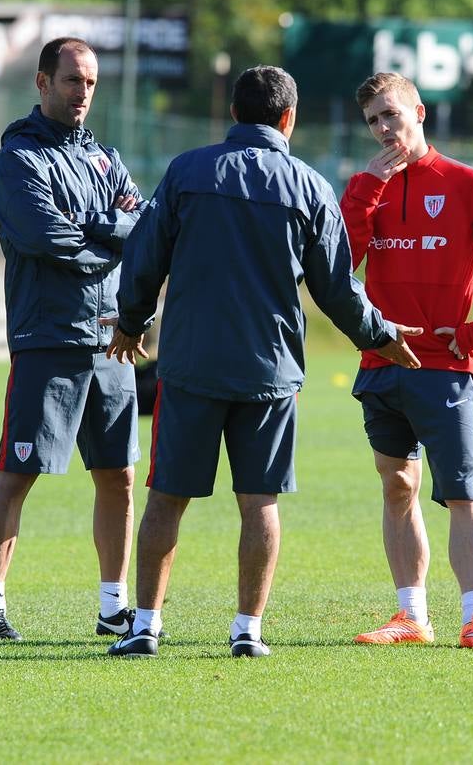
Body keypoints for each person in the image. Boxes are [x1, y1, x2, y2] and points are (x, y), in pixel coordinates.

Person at [103, 65, 423, 658]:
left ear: (234, 113)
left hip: (191, 366)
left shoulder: (186, 171)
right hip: (269, 373)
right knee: (260, 502)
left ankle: (144, 626)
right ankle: (247, 631)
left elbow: (146, 255)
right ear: (288, 118)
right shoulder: (309, 187)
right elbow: (336, 287)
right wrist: (379, 335)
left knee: (167, 497)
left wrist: (131, 321)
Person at [340, 72, 473, 650]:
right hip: (382, 364)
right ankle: (411, 616)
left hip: (446, 369)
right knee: (397, 486)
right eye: (373, 120)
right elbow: (338, 265)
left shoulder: (467, 183)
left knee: (461, 494)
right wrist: (366, 191)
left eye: (391, 114)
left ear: (419, 112)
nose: (384, 128)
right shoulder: (365, 188)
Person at [0, 36, 146, 641]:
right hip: (47, 336)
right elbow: (47, 238)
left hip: (112, 338)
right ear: (43, 82)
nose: (83, 93)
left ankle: (113, 606)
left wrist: (98, 226)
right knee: (18, 472)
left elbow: (145, 223)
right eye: (73, 80)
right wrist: (112, 238)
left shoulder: (105, 156)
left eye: (91, 82)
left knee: (119, 475)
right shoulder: (19, 159)